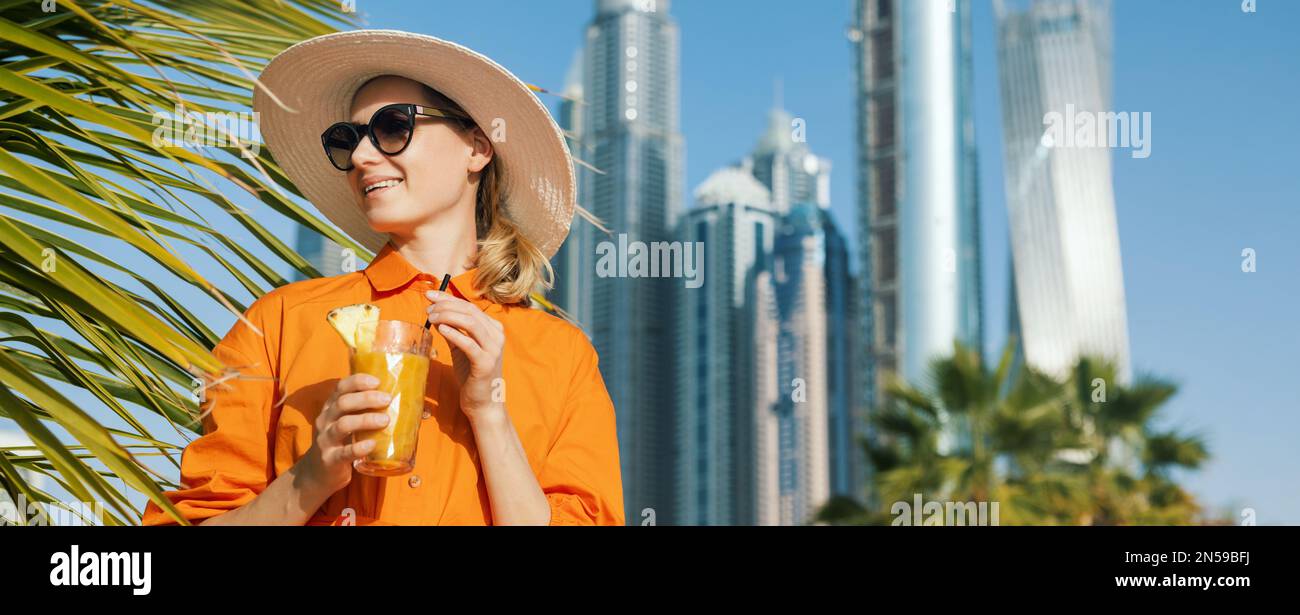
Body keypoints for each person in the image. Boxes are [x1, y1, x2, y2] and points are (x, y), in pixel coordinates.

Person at [141, 30, 623, 526]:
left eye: (393, 127)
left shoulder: (562, 356)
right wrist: (312, 476)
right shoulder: (279, 323)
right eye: (346, 140)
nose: (364, 157)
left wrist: (490, 415)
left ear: (477, 148)